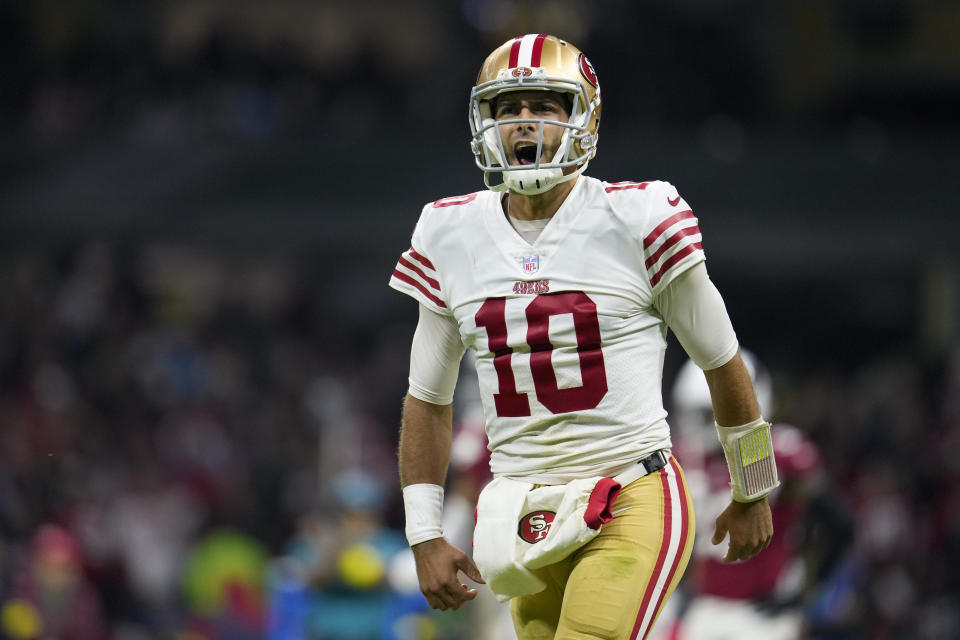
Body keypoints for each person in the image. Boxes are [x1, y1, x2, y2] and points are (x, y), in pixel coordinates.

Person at [388, 34, 778, 640]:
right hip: (524, 512)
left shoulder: (639, 217)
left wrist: (752, 488)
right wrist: (424, 533)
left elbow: (723, 362)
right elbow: (427, 400)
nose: (524, 124)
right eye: (508, 108)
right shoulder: (449, 233)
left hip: (630, 491)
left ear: (583, 118)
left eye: (544, 106)